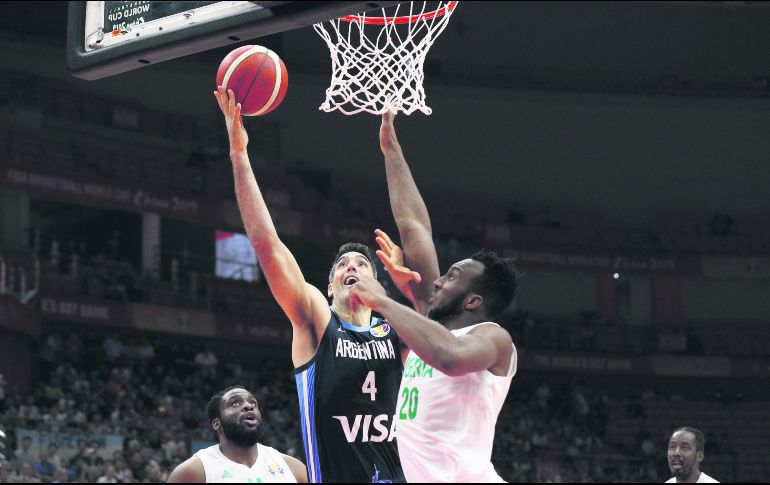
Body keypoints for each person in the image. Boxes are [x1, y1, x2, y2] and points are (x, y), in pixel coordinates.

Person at [212, 88, 405, 483]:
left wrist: (403, 288)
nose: (352, 267)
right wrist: (239, 155)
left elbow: (440, 328)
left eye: (363, 264)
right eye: (342, 266)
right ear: (330, 286)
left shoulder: (396, 331)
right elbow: (267, 245)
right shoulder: (317, 317)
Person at [347, 111, 520, 482]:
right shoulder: (428, 320)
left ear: (473, 301)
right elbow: (415, 230)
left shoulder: (492, 338)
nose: (439, 280)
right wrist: (391, 150)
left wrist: (384, 299)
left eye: (452, 277)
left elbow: (449, 357)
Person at [167, 386, 307, 483]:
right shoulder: (193, 471)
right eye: (235, 403)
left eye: (253, 402)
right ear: (217, 424)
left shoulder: (293, 468)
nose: (248, 406)